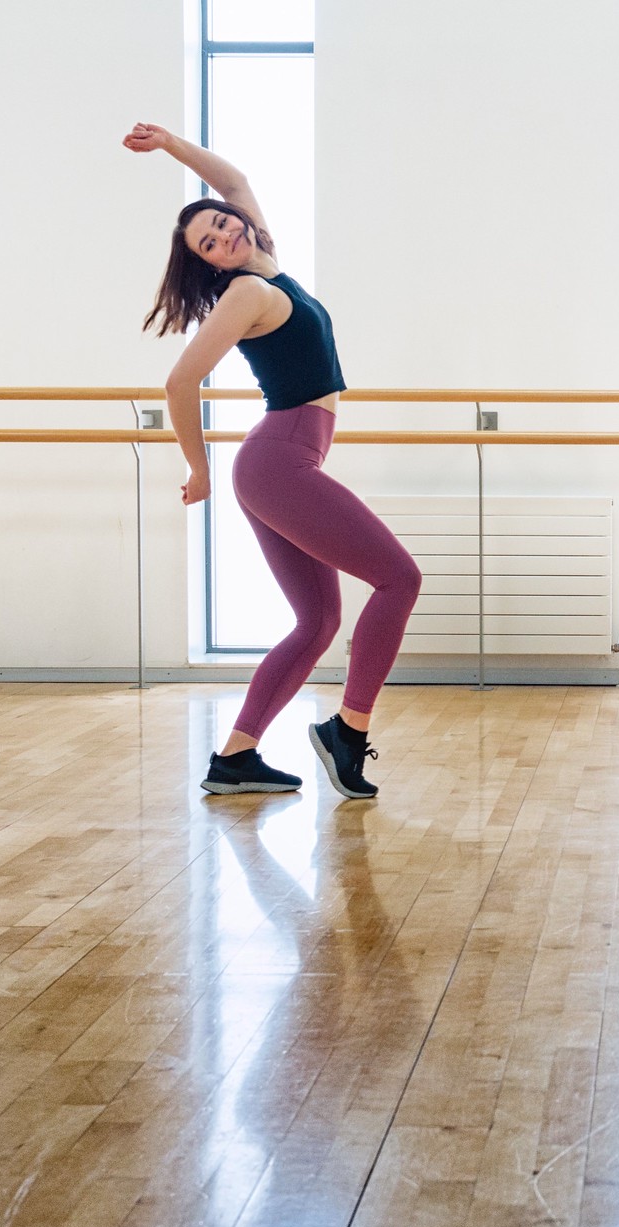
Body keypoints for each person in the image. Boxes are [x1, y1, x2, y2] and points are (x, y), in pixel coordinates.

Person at [126, 121, 421, 800]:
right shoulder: (248, 292)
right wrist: (196, 468)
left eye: (222, 224)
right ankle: (347, 731)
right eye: (209, 243)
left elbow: (232, 183)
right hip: (279, 464)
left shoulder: (264, 259)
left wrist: (170, 144)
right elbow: (179, 383)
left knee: (318, 622)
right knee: (399, 579)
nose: (225, 233)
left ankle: (236, 756)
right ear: (213, 264)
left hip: (280, 466)